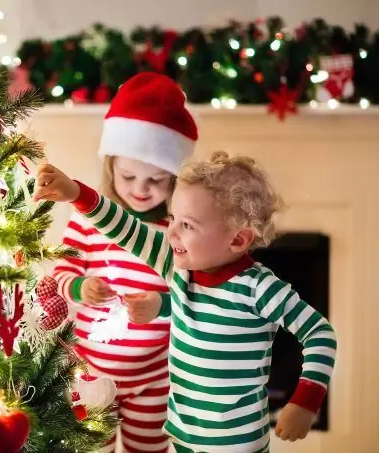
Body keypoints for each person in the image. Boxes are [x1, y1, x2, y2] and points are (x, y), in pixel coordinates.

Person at [34, 151, 337, 453]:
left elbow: (320, 334)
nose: (172, 231)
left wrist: (305, 401)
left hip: (237, 444)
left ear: (237, 240)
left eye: (188, 225)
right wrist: (76, 193)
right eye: (174, 218)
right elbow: (125, 228)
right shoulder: (178, 269)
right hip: (183, 437)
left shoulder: (259, 288)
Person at [43, 73, 198, 453]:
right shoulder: (89, 220)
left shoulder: (177, 231)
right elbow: (62, 271)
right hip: (93, 373)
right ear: (111, 165)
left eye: (157, 180)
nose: (141, 189)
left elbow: (193, 294)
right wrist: (79, 287)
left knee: (152, 449)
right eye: (129, 176)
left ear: (175, 181)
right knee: (93, 447)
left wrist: (160, 306)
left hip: (156, 377)